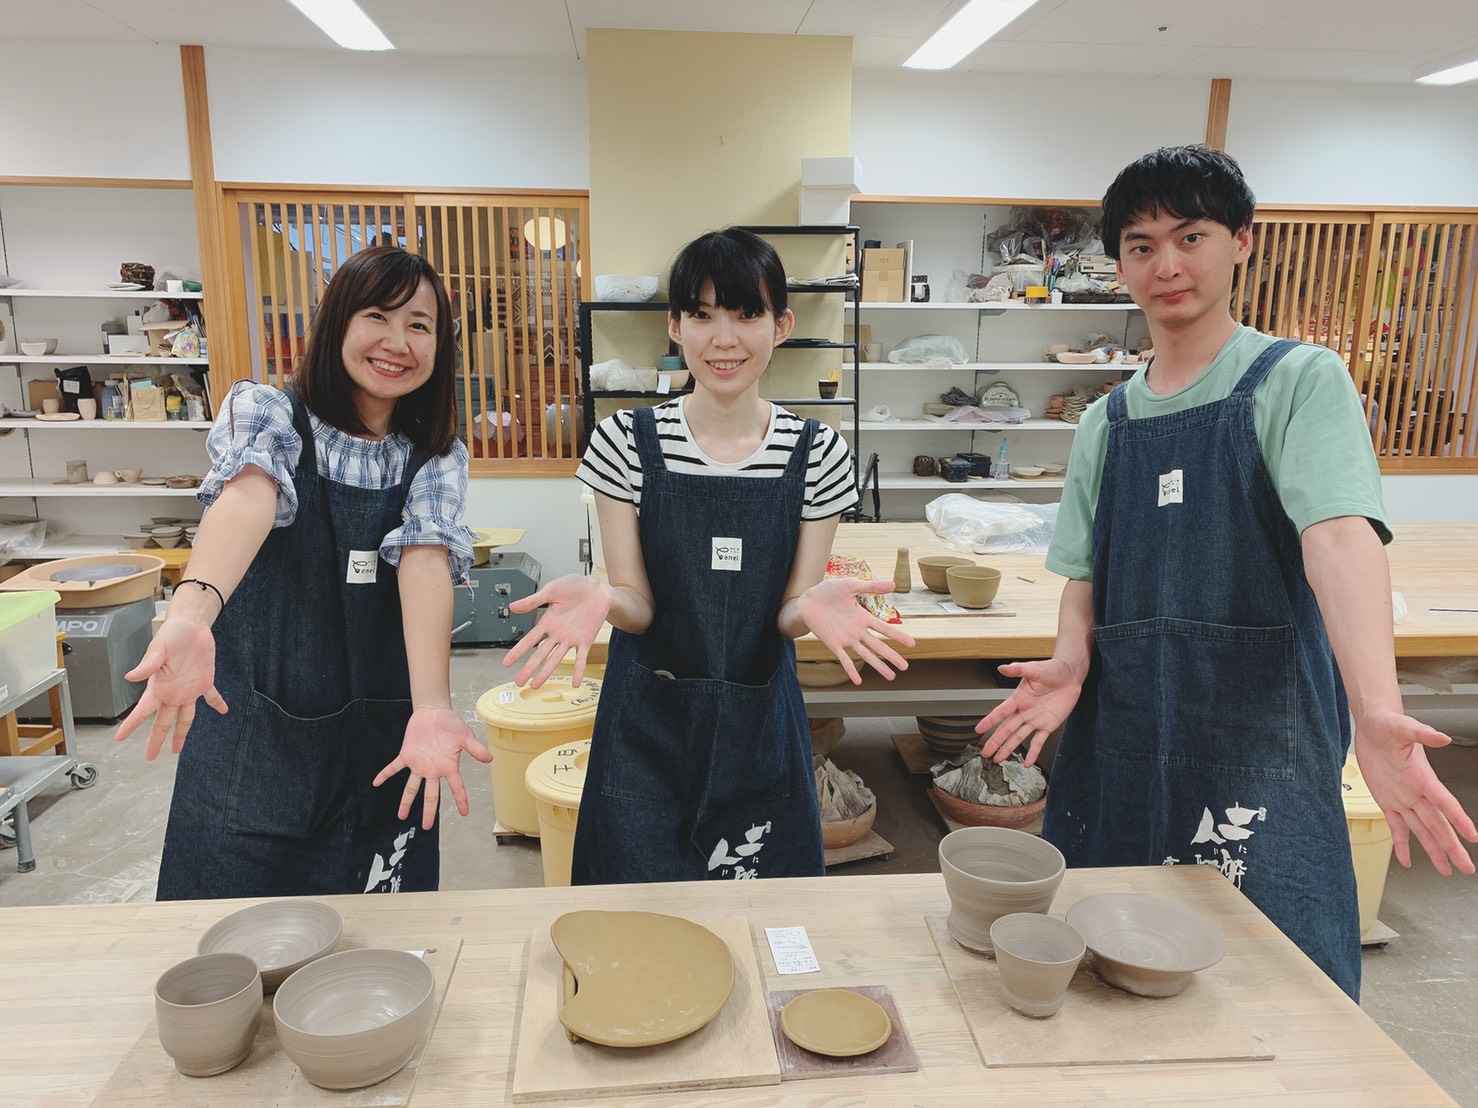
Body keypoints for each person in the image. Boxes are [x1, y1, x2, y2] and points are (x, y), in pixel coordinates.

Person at [975, 146, 1476, 1000]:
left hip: (1261, 736)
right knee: (1115, 963)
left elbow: (1341, 541)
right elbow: (1084, 574)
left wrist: (1376, 710)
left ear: (1242, 242)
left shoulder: (1298, 381)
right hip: (1125, 729)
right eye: (1140, 245)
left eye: (1191, 236)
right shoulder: (1107, 420)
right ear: (1120, 263)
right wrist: (1069, 657)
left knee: (1276, 982)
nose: (1167, 265)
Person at [504, 227, 915, 883]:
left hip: (760, 730)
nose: (724, 338)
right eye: (702, 314)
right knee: (636, 927)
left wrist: (809, 605)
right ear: (675, 326)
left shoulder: (817, 454)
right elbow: (639, 607)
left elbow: (785, 615)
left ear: (780, 325)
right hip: (647, 731)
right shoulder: (624, 443)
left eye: (746, 313)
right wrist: (606, 595)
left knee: (763, 924)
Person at [116, 245, 491, 899]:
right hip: (252, 745)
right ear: (339, 320)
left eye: (421, 325)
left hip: (383, 746)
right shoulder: (269, 412)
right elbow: (249, 497)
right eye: (379, 315)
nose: (397, 342)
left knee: (372, 965)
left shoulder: (434, 456)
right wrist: (190, 614)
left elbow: (425, 558)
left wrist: (433, 705)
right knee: (231, 958)